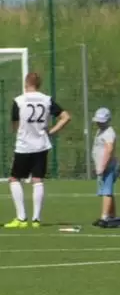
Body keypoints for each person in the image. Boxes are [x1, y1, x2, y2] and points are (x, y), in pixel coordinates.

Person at [4, 72, 71, 228]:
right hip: (41, 144)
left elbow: (15, 125)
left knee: (14, 179)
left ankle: (21, 218)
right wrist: (52, 131)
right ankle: (36, 219)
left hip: (24, 145)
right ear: (39, 84)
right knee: (37, 180)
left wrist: (20, 131)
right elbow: (66, 117)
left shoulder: (19, 101)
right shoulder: (46, 99)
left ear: (26, 83)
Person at [90, 107, 120, 226]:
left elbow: (109, 149)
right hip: (102, 167)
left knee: (106, 192)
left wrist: (102, 166)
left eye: (101, 121)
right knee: (107, 191)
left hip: (108, 167)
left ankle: (104, 217)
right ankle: (112, 216)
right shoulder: (100, 131)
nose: (99, 123)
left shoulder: (108, 132)